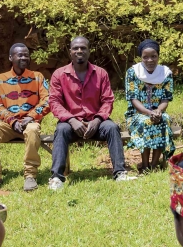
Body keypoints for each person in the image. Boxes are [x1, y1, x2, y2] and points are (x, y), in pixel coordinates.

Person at [48, 36, 132, 191]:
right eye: (75, 48)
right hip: (71, 124)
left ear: (89, 51)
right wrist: (72, 120)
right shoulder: (59, 75)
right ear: (70, 52)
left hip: (96, 123)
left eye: (83, 48)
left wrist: (98, 120)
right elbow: (54, 102)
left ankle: (120, 172)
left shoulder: (100, 74)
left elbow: (108, 101)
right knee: (61, 130)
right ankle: (56, 178)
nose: (79, 51)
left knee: (112, 127)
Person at [0, 43, 49, 193]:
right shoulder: (1, 79)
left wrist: (31, 117)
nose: (24, 57)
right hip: (9, 124)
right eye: (20, 55)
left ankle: (30, 175)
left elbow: (47, 100)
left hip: (30, 122)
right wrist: (11, 121)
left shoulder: (37, 77)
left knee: (32, 131)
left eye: (26, 54)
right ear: (10, 57)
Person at [124, 38, 175, 170]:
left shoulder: (165, 73)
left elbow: (166, 98)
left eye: (153, 56)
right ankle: (145, 165)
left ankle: (154, 165)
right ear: (141, 57)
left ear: (158, 56)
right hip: (136, 114)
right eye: (145, 57)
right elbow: (133, 98)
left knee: (163, 120)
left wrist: (158, 111)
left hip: (158, 111)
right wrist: (149, 113)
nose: (150, 60)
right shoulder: (133, 72)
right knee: (146, 121)